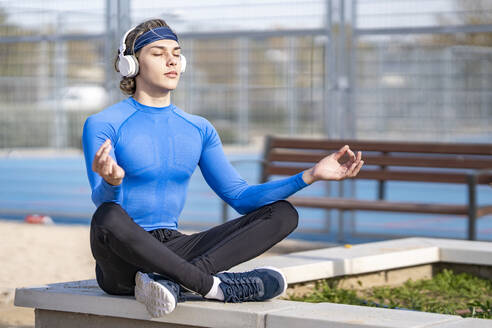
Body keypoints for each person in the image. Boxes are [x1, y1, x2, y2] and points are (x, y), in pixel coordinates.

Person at [82, 18, 364, 318]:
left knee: (283, 213)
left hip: (174, 248)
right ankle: (215, 287)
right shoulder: (103, 124)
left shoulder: (198, 128)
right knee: (107, 215)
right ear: (132, 64)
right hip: (121, 259)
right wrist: (111, 182)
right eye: (158, 52)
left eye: (176, 53)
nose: (171, 60)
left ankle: (176, 281)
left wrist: (310, 175)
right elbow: (103, 202)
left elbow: (241, 197)